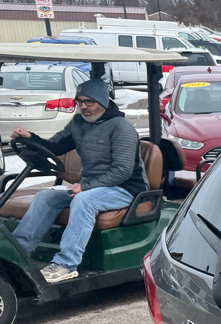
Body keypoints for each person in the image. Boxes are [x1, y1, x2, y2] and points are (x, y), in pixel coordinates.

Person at [8, 77, 147, 284]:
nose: (83, 107)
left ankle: (66, 264)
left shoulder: (121, 128)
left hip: (125, 187)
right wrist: (30, 137)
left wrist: (85, 186)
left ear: (102, 101)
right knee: (46, 196)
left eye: (88, 102)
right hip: (92, 185)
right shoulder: (79, 124)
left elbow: (123, 171)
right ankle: (18, 252)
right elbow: (54, 146)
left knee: (84, 200)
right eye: (79, 102)